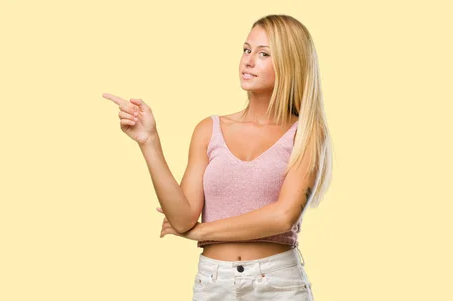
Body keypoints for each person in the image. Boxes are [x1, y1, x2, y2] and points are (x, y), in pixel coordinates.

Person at [102, 14, 332, 301]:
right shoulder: (209, 130)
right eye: (246, 50)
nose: (248, 61)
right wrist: (148, 141)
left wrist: (201, 232)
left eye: (263, 54)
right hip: (214, 283)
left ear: (291, 64)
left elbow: (282, 217)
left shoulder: (307, 132)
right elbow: (183, 217)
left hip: (279, 284)